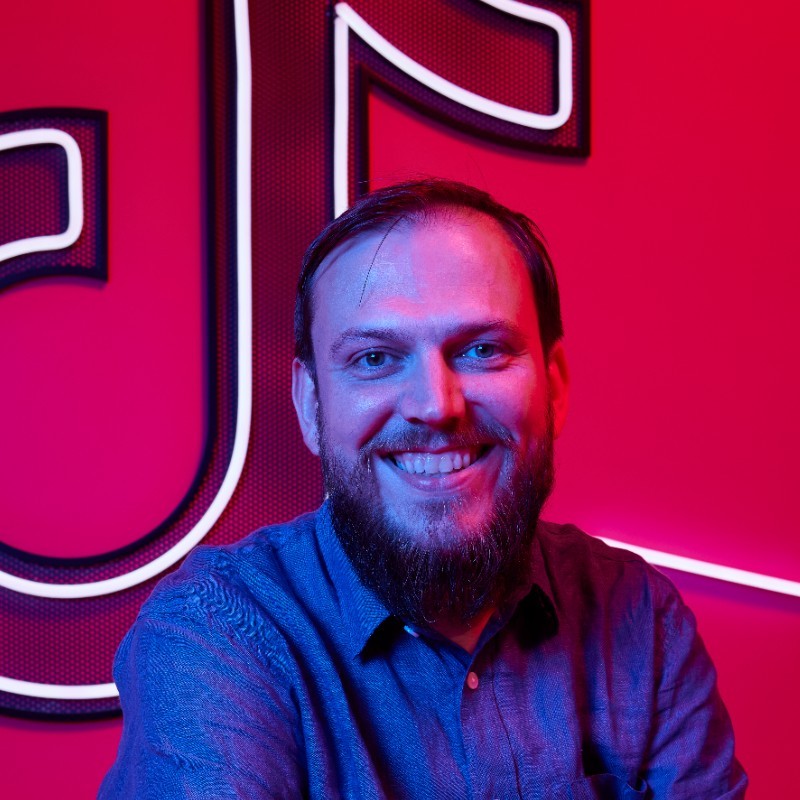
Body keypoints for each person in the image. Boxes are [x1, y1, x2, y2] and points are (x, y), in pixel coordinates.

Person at [100, 179, 747, 798]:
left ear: (554, 387)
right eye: (375, 358)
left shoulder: (641, 617)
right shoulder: (217, 632)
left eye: (483, 350)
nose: (436, 406)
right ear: (310, 405)